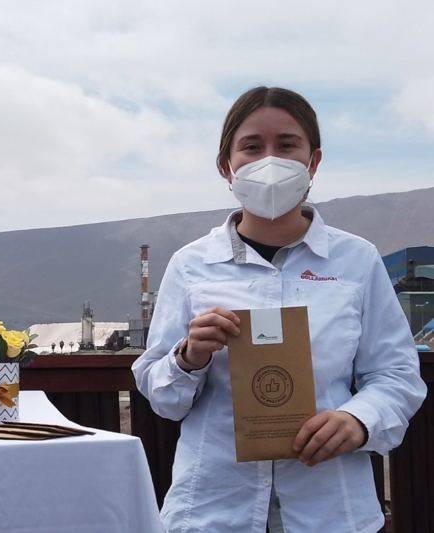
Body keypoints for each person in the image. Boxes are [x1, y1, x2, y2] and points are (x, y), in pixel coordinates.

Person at [132, 86, 426, 533]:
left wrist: (359, 419)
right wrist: (187, 358)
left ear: (313, 162)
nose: (269, 160)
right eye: (251, 146)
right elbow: (161, 396)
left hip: (330, 511)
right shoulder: (192, 265)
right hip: (214, 510)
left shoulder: (356, 261)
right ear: (225, 166)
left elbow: (396, 376)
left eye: (287, 145)